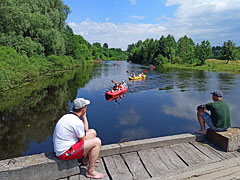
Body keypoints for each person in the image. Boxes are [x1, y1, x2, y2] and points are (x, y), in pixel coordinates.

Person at [53, 98, 106, 179]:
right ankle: (91, 172)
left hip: (65, 146)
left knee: (92, 132)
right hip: (64, 153)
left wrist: (84, 117)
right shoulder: (77, 122)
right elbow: (84, 142)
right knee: (97, 142)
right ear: (84, 109)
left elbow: (86, 131)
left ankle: (86, 160)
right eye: (86, 107)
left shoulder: (68, 116)